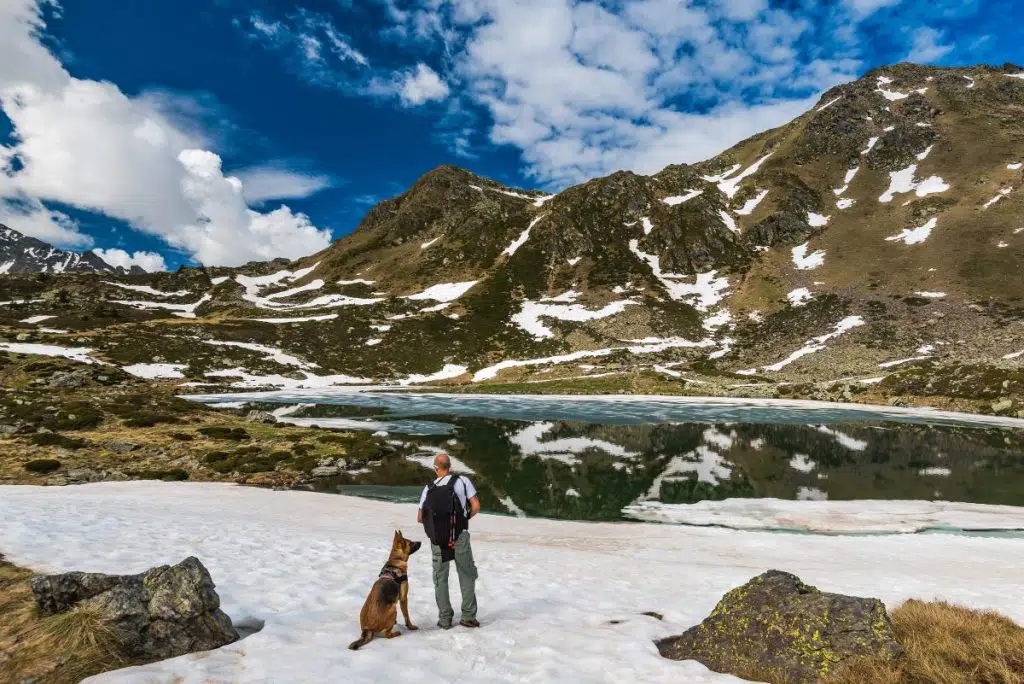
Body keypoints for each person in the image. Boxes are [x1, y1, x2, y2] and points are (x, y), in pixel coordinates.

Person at [417, 452, 481, 629]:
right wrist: (464, 518)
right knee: (466, 574)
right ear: (450, 467)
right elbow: (476, 506)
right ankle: (468, 616)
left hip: (438, 539)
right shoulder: (462, 481)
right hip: (459, 535)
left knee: (440, 577)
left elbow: (420, 517)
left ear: (435, 468)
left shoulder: (429, 487)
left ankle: (445, 619)